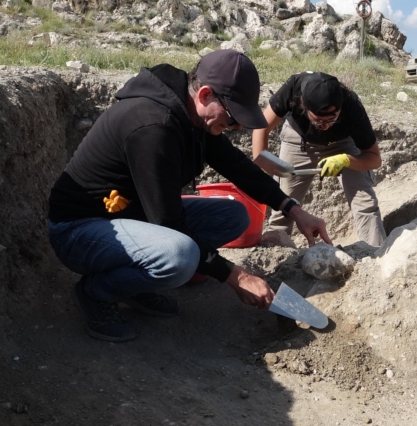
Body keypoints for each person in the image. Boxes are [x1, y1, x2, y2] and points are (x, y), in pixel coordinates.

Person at [47, 50, 332, 342]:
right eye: (233, 117)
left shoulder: (191, 115)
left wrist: (294, 210)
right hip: (79, 231)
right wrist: (237, 276)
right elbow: (169, 222)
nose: (235, 128)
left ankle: (134, 286)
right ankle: (96, 291)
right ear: (206, 94)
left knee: (233, 217)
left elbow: (237, 166)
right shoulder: (153, 126)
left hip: (130, 215)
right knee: (180, 256)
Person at [251, 71, 387, 246]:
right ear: (304, 107)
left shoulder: (351, 105)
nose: (325, 126)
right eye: (318, 121)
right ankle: (278, 255)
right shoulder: (294, 88)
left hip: (342, 144)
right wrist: (261, 162)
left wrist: (346, 160)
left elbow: (375, 159)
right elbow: (261, 126)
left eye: (332, 119)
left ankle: (375, 253)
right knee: (283, 203)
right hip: (300, 141)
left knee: (365, 202)